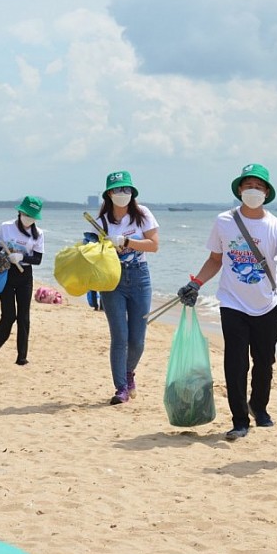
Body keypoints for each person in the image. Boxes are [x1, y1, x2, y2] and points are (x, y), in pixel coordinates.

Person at [177, 163, 277, 440]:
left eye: (258, 186)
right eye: (248, 185)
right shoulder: (224, 222)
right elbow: (215, 259)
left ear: (267, 192)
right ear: (239, 190)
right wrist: (195, 284)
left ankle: (260, 407)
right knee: (235, 362)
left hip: (267, 304)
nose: (253, 190)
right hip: (232, 303)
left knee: (264, 362)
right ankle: (240, 419)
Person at [96, 171, 159, 405]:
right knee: (119, 337)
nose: (122, 194)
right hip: (112, 281)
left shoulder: (143, 215)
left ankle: (129, 372)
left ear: (132, 193)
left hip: (140, 278)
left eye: (126, 189)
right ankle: (121, 388)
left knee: (138, 340)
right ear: (109, 194)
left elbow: (154, 245)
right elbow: (92, 252)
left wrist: (126, 242)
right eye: (117, 190)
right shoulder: (101, 221)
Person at [0, 196, 45, 365]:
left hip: (25, 275)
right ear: (20, 212)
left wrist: (22, 256)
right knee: (9, 315)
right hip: (6, 273)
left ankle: (22, 357)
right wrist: (4, 257)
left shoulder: (38, 234)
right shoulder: (6, 227)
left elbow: (38, 259)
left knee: (24, 317)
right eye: (26, 214)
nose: (28, 218)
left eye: (32, 215)